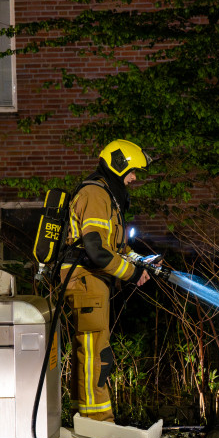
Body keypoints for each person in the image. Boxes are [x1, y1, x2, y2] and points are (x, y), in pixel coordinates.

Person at [61, 139, 151, 423]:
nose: (135, 177)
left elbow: (113, 247)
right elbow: (97, 251)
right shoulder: (96, 195)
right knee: (95, 350)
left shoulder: (106, 195)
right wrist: (132, 273)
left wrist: (140, 260)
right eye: (133, 170)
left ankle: (84, 416)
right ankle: (97, 424)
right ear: (119, 164)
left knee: (88, 349)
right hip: (85, 280)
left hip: (90, 281)